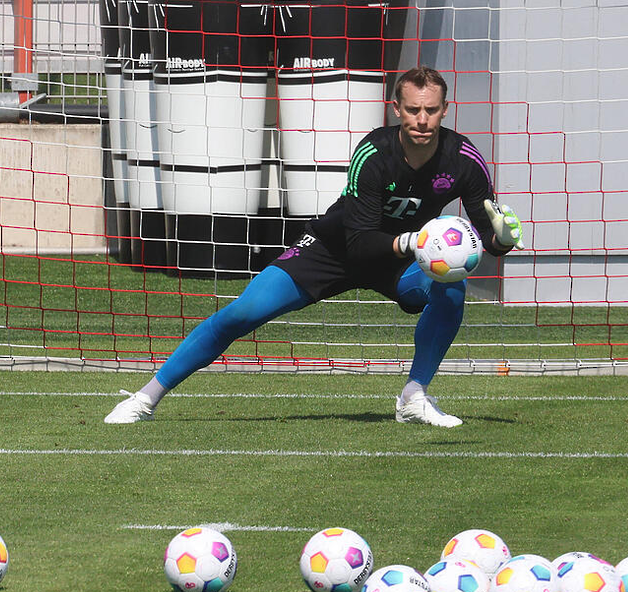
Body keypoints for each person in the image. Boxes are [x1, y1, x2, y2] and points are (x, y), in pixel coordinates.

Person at [105, 66, 524, 427]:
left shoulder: (464, 159)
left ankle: (414, 396)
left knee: (451, 285)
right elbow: (360, 242)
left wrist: (500, 240)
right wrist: (414, 241)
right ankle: (145, 398)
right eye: (413, 109)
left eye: (431, 110)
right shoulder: (374, 153)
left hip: (402, 260)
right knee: (243, 312)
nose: (422, 119)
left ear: (445, 110)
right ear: (396, 109)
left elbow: (482, 234)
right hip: (335, 248)